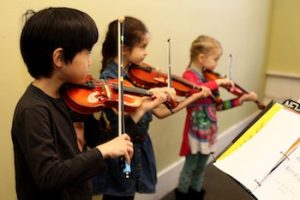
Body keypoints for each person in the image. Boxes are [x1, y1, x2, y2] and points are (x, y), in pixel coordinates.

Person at [11, 7, 167, 200]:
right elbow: (48, 175)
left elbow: (104, 141)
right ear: (59, 58)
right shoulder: (33, 110)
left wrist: (140, 110)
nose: (90, 60)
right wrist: (102, 151)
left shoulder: (71, 99)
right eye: (87, 53)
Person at [92, 16, 211, 200]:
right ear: (124, 49)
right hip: (122, 152)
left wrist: (192, 96)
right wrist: (146, 96)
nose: (146, 53)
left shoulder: (137, 74)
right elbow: (122, 121)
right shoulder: (110, 79)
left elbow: (161, 111)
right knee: (118, 196)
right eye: (143, 47)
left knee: (128, 196)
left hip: (140, 147)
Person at [174, 34, 259, 200]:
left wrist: (241, 99)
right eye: (215, 59)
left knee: (201, 168)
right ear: (201, 57)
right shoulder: (189, 77)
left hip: (209, 133)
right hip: (195, 134)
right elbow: (196, 90)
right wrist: (219, 82)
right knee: (189, 167)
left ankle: (196, 194)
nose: (216, 64)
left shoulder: (209, 78)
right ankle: (183, 196)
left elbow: (218, 106)